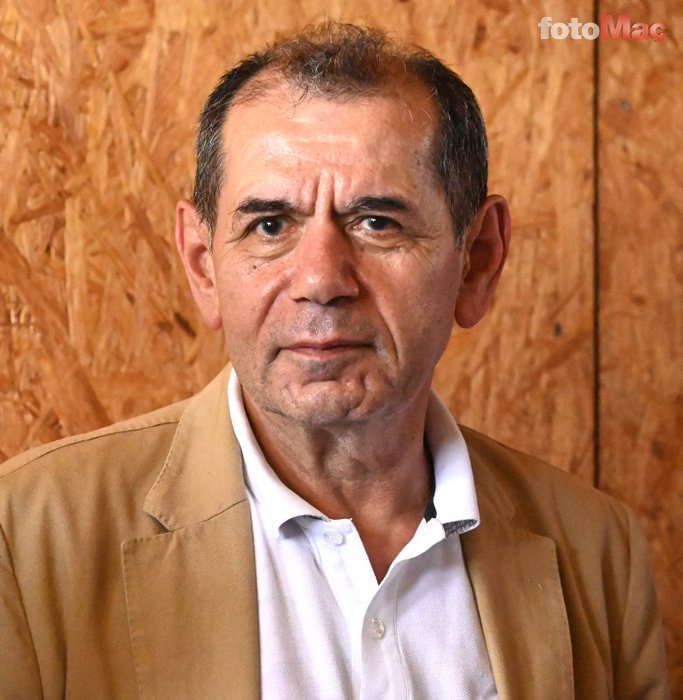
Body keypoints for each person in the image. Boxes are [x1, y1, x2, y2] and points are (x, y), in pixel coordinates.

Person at [0, 21, 669, 700]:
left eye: (377, 222)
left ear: (477, 261)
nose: (320, 280)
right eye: (269, 225)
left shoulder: (597, 552)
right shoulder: (25, 542)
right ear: (203, 266)